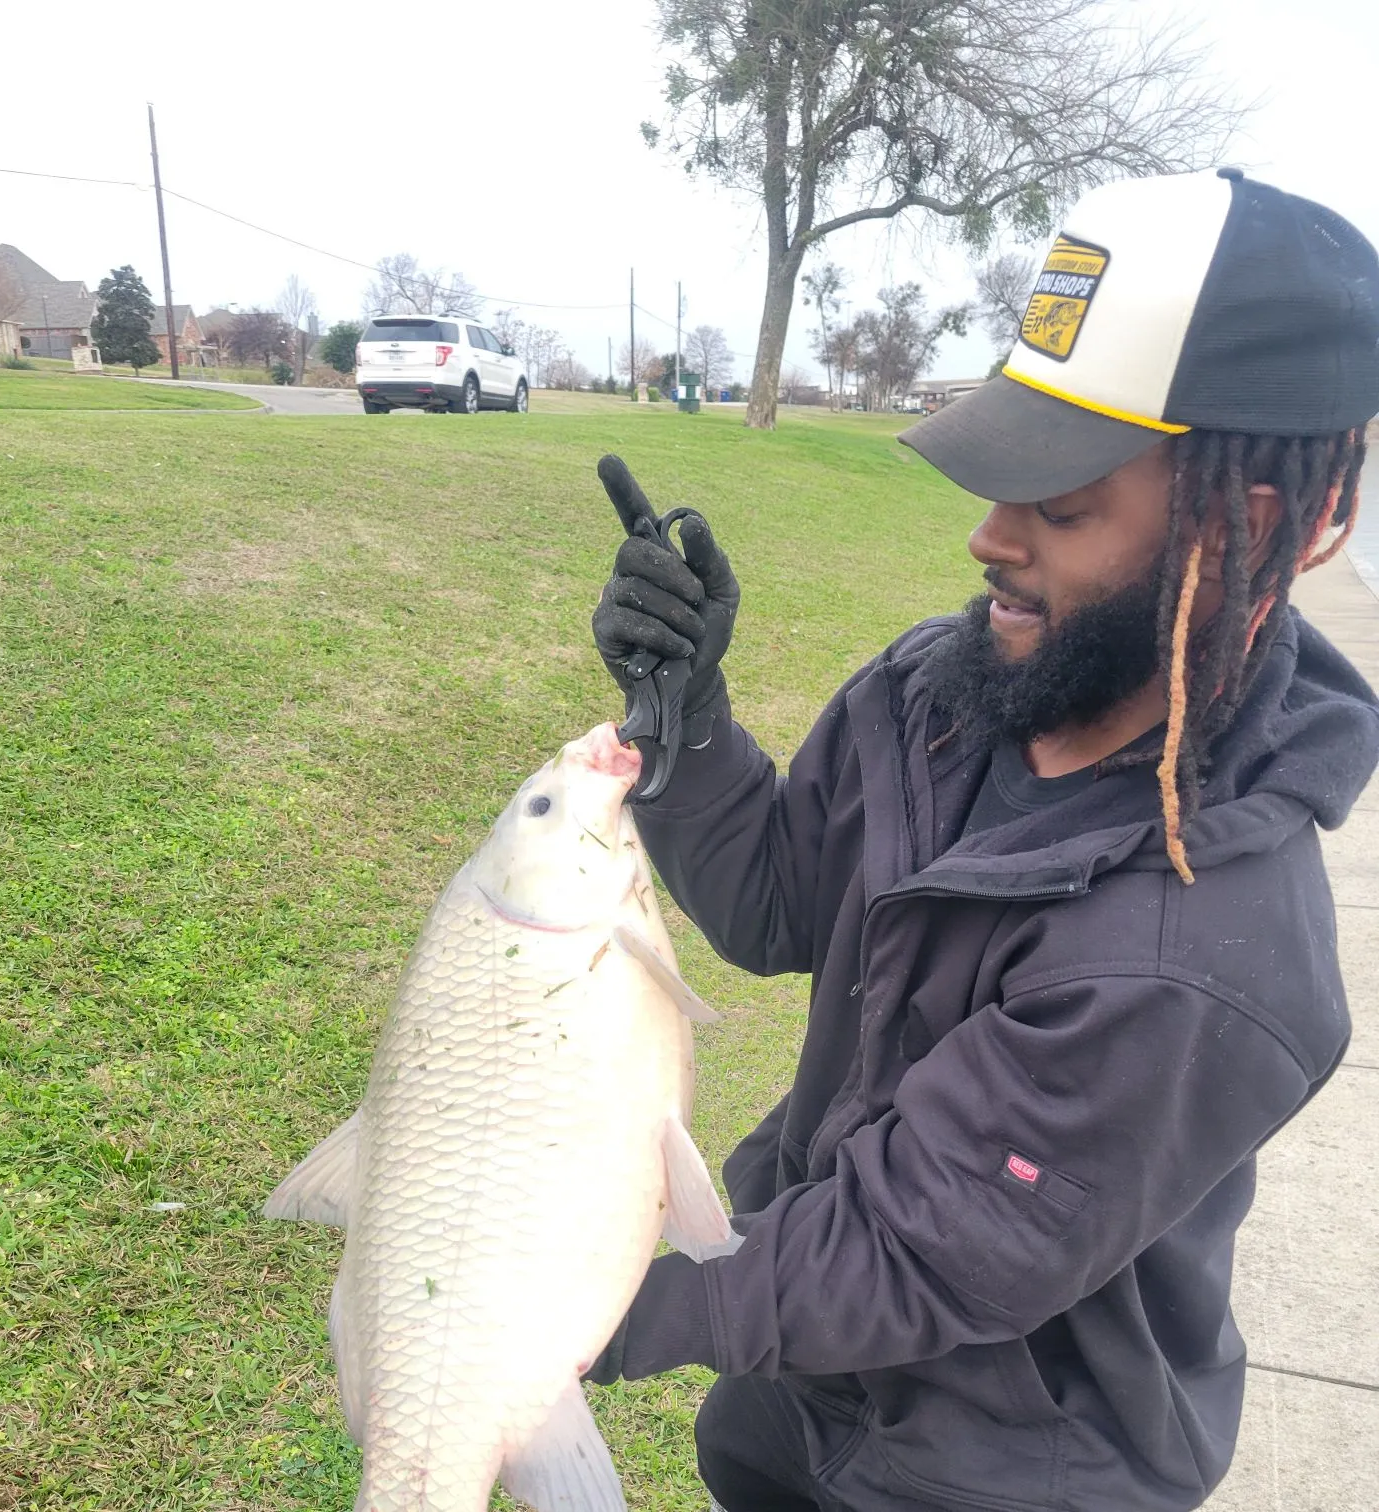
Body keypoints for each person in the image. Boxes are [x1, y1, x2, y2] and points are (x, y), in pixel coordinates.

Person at [584, 167, 1379, 1512]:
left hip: (1008, 1470)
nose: (989, 539)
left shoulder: (1201, 956)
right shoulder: (940, 695)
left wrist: (580, 1308)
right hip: (803, 1389)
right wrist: (687, 722)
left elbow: (915, 1243)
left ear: (1244, 528)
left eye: (1061, 506)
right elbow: (779, 901)